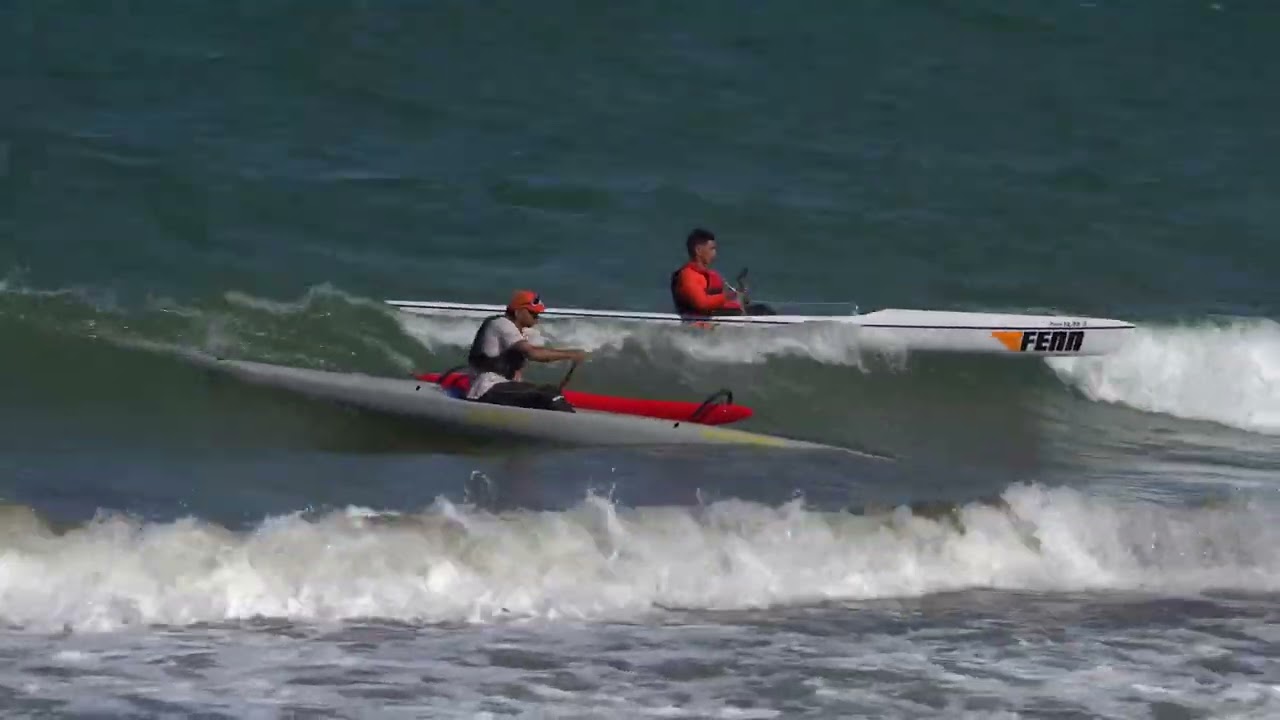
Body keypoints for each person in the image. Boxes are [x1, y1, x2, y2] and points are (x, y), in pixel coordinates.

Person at [465, 290, 587, 412]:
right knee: (549, 396)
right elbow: (533, 354)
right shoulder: (500, 324)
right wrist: (571, 354)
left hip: (504, 388)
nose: (537, 318)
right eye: (533, 314)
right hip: (485, 389)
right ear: (518, 312)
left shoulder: (523, 333)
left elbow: (540, 354)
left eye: (538, 315)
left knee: (551, 391)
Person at [670, 228, 775, 316]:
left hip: (718, 317)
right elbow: (702, 304)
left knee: (762, 309)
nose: (715, 253)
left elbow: (724, 299)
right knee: (763, 312)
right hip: (699, 321)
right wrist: (728, 296)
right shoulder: (688, 276)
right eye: (712, 249)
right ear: (698, 250)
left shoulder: (710, 275)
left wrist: (741, 295)